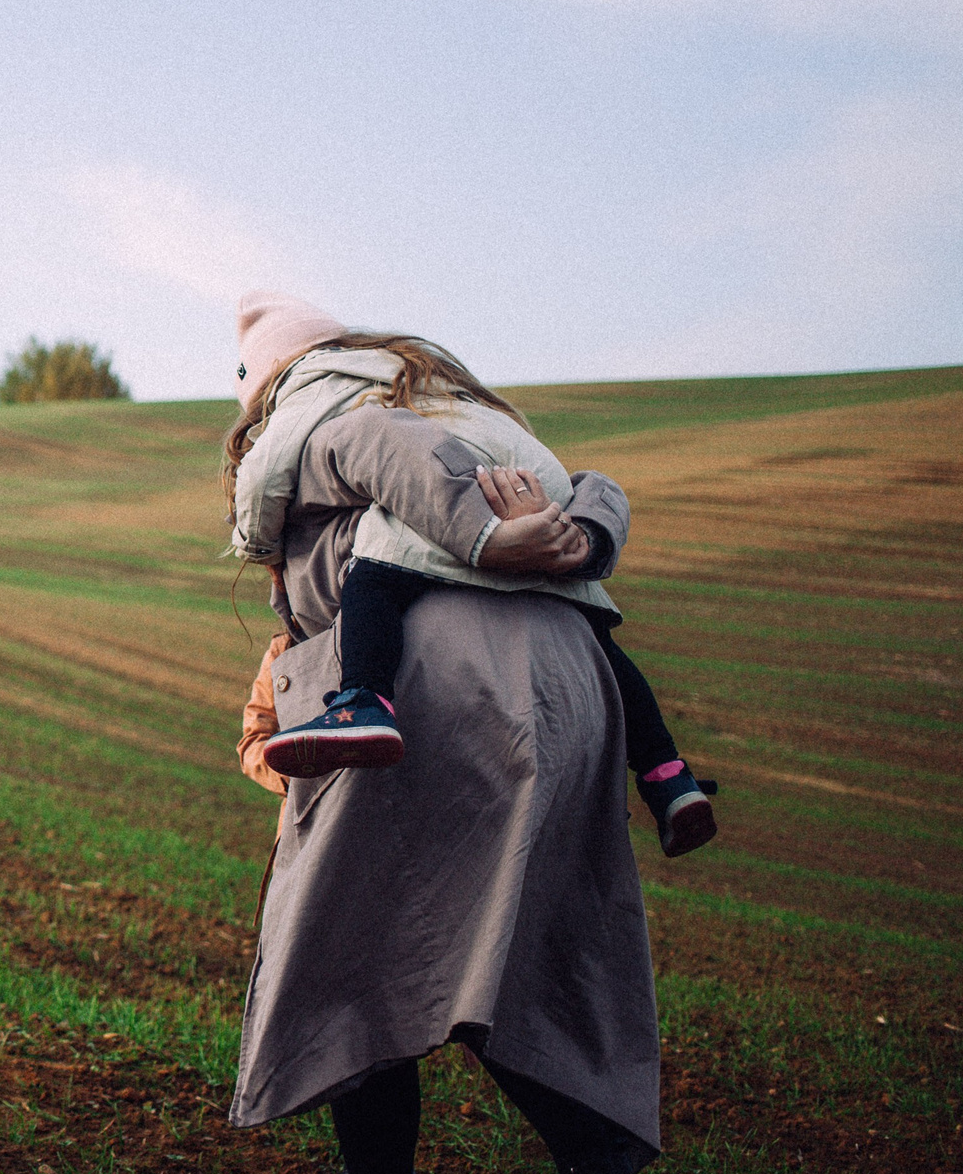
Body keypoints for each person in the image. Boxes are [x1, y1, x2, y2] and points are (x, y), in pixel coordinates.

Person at [222, 289, 682, 1174]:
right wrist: (567, 540)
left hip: (445, 696)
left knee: (354, 949)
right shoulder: (480, 423)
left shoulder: (326, 417)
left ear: (275, 379)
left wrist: (478, 540)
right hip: (573, 692)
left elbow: (373, 450)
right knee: (506, 946)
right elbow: (596, 491)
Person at [225, 295, 715, 858]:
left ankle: (364, 699)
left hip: (459, 520)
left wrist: (486, 540)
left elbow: (351, 456)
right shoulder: (444, 394)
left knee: (375, 566)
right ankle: (667, 774)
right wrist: (580, 539)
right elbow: (594, 483)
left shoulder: (321, 405)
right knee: (608, 653)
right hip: (549, 527)